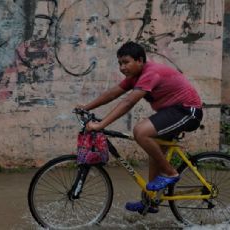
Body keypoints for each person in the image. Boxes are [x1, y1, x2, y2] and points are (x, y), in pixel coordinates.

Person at [76, 41, 203, 214]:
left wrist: (101, 124)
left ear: (140, 60)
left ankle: (171, 173)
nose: (122, 67)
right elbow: (112, 93)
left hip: (187, 111)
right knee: (155, 153)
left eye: (126, 62)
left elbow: (128, 102)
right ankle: (150, 200)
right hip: (171, 111)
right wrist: (87, 107)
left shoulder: (151, 73)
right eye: (120, 63)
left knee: (140, 132)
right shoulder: (135, 76)